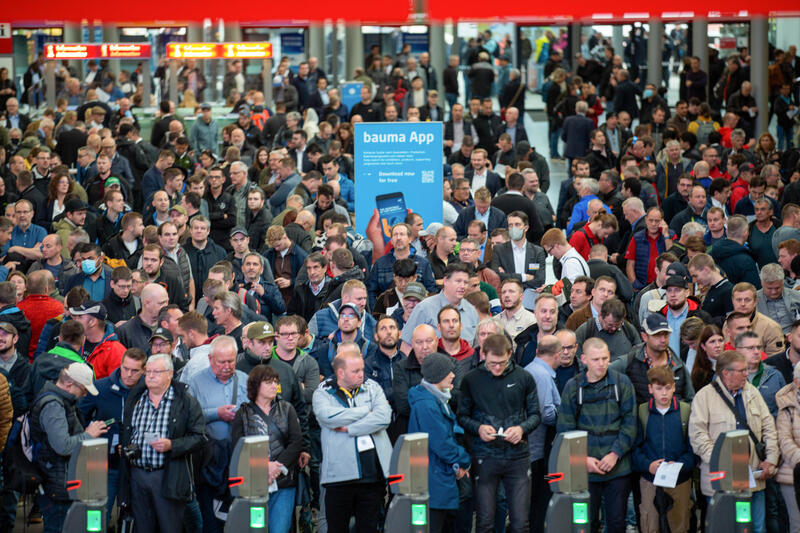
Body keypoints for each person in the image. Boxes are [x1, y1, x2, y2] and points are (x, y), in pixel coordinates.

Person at [457, 333, 540, 533]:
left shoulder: (524, 377)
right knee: (485, 522)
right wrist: (478, 428)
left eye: (502, 363)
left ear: (510, 354)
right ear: (483, 355)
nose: (497, 368)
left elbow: (535, 415)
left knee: (520, 523)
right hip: (485, 456)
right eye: (492, 363)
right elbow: (461, 416)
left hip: (517, 457)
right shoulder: (471, 380)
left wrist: (521, 429)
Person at [689, 350, 779, 533]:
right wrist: (723, 463)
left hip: (753, 477)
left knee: (756, 527)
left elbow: (769, 427)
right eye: (742, 370)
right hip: (721, 482)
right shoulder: (704, 397)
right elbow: (698, 438)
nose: (747, 374)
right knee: (724, 527)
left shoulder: (752, 393)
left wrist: (771, 458)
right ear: (726, 373)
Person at [119, 353, 205, 533]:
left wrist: (172, 445)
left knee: (170, 527)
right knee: (141, 528)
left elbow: (199, 437)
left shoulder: (184, 401)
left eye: (156, 372)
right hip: (137, 474)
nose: (150, 376)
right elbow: (127, 430)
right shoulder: (136, 398)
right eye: (148, 371)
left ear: (170, 374)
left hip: (168, 475)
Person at [557, 338, 637, 533]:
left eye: (605, 358)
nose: (601, 364)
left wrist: (615, 453)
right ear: (583, 359)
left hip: (617, 468)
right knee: (584, 522)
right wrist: (582, 460)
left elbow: (630, 423)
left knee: (617, 522)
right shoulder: (573, 387)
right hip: (583, 471)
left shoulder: (622, 383)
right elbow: (565, 429)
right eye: (595, 359)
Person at [313, 344, 392, 533]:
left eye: (362, 369)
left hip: (373, 476)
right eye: (355, 371)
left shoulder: (372, 387)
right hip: (339, 477)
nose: (361, 374)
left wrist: (350, 428)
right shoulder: (323, 392)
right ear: (340, 373)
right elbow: (327, 417)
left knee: (369, 528)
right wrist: (366, 411)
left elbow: (384, 417)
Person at [30, 363, 108, 533]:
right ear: (69, 384)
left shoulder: (60, 401)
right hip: (56, 485)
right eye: (83, 389)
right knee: (59, 527)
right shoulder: (53, 406)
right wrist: (89, 435)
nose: (85, 394)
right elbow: (63, 446)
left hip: (59, 481)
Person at [231, 364, 303, 533]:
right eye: (269, 382)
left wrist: (276, 466)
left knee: (280, 529)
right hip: (254, 484)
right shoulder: (242, 413)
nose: (274, 386)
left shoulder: (287, 409)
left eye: (276, 382)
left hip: (283, 481)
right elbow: (238, 448)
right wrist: (263, 467)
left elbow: (296, 442)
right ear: (256, 385)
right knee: (257, 529)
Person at [77, 347, 146, 526]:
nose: (129, 374)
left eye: (135, 371)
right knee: (96, 517)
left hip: (135, 466)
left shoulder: (148, 390)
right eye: (125, 368)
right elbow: (78, 417)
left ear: (144, 370)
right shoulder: (100, 388)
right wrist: (88, 434)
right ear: (120, 365)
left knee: (135, 518)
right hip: (101, 463)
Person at [408, 352, 470, 533]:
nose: (453, 375)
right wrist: (464, 460)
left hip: (439, 475)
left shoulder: (437, 399)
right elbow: (442, 443)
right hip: (433, 478)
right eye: (449, 372)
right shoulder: (427, 405)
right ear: (437, 376)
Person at [632, 366, 696, 533]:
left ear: (674, 387)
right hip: (649, 479)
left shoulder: (685, 411)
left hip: (679, 480)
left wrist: (680, 465)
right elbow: (634, 449)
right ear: (650, 389)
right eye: (659, 388)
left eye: (668, 388)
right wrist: (648, 465)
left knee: (679, 523)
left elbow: (693, 449)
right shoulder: (642, 412)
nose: (664, 393)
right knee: (650, 523)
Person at [524, 335, 562, 533]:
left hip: (533, 447)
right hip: (537, 449)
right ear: (557, 355)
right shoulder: (542, 375)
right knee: (537, 502)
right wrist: (564, 417)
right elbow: (546, 414)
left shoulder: (531, 369)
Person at [400, 263, 478, 354]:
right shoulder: (424, 308)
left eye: (465, 282)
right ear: (445, 281)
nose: (462, 286)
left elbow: (476, 349)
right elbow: (406, 346)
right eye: (458, 281)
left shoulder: (471, 311)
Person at [489, 211, 547, 290]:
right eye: (510, 225)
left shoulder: (538, 251)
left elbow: (540, 280)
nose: (513, 228)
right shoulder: (499, 249)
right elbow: (496, 276)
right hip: (506, 295)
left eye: (517, 224)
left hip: (529, 295)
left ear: (526, 228)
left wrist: (507, 276)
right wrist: (524, 277)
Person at [69, 301, 126, 379]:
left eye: (80, 316)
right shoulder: (76, 341)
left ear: (92, 322)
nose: (76, 320)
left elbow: (116, 386)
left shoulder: (115, 352)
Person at [775, 364, 800, 533]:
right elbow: (784, 440)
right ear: (797, 382)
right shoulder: (786, 407)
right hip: (792, 474)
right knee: (797, 525)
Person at [710, 215, 762, 289]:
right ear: (745, 233)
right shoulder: (746, 261)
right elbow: (753, 289)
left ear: (726, 232)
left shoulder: (711, 255)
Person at [757, 263, 800, 335]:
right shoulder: (752, 300)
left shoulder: (796, 296)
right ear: (762, 283)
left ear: (783, 282)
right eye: (769, 288)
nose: (773, 292)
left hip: (793, 339)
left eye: (777, 288)